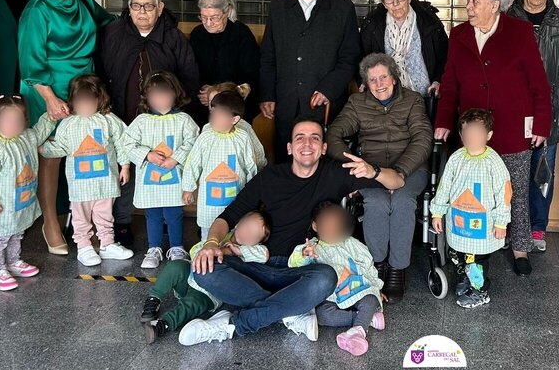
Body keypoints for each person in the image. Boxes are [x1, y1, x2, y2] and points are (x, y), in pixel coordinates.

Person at [181, 119, 403, 345]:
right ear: (289, 147)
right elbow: (227, 218)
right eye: (300, 138)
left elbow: (396, 181)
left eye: (315, 138)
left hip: (299, 271)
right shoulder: (269, 178)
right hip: (258, 266)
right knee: (203, 269)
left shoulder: (334, 174)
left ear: (323, 148)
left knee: (326, 277)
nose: (307, 143)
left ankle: (233, 325)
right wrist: (210, 244)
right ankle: (290, 312)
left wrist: (372, 170)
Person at [434, 0, 551, 277]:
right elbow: (449, 84)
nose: (468, 6)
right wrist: (444, 122)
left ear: (495, 5)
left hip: (512, 127)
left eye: (475, 1)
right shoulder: (459, 34)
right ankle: (471, 244)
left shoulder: (520, 32)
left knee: (517, 192)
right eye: (469, 0)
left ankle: (520, 248)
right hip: (473, 131)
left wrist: (540, 125)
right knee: (471, 190)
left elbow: (539, 83)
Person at [19, 0, 115, 255]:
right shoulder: (37, 10)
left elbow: (111, 22)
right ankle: (50, 222)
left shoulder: (85, 1)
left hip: (83, 88)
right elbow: (31, 61)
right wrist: (49, 98)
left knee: (85, 152)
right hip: (48, 88)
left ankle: (87, 221)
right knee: (51, 158)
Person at [325, 53, 432, 302]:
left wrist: (400, 172)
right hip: (370, 168)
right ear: (366, 83)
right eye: (372, 80)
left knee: (403, 202)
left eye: (383, 77)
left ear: (394, 78)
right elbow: (333, 136)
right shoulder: (357, 103)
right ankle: (377, 264)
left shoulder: (413, 101)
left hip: (411, 168)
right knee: (378, 202)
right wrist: (353, 163)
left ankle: (397, 269)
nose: (379, 84)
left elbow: (423, 139)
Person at [100, 0, 199, 247]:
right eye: (136, 5)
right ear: (129, 9)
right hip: (123, 114)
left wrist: (179, 113)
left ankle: (167, 222)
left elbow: (188, 76)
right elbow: (102, 69)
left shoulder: (173, 37)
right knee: (125, 168)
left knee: (162, 168)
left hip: (163, 120)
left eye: (149, 6)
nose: (142, 11)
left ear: (160, 8)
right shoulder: (113, 33)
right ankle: (121, 222)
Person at [259, 0, 362, 162]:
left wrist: (328, 89)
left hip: (325, 102)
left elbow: (350, 57)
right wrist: (267, 94)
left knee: (323, 159)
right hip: (286, 100)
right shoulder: (279, 6)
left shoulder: (341, 7)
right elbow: (268, 55)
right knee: (287, 159)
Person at [505, 0, 559, 252]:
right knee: (511, 173)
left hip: (551, 110)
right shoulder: (507, 18)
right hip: (514, 111)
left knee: (542, 172)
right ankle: (511, 226)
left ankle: (537, 228)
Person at [40, 74, 134, 267]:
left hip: (105, 181)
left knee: (105, 214)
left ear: (100, 99)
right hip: (80, 184)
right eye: (80, 101)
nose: (85, 106)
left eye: (90, 101)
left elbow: (122, 142)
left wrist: (125, 165)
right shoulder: (68, 124)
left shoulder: (108, 120)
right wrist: (42, 149)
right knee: (80, 216)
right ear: (72, 101)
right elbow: (60, 147)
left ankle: (107, 243)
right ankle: (84, 246)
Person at [141, 211, 270, 345]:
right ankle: (153, 299)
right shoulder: (221, 237)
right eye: (247, 228)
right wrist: (211, 247)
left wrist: (236, 251)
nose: (247, 234)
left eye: (253, 235)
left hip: (208, 293)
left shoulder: (251, 250)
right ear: (238, 224)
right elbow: (195, 250)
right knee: (176, 266)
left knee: (192, 304)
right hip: (190, 276)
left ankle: (163, 324)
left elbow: (263, 255)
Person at [0, 94, 56, 291]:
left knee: (17, 233)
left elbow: (39, 131)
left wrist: (51, 118)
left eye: (18, 120)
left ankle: (13, 261)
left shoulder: (25, 137)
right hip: (0, 207)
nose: (15, 124)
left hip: (19, 203)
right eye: (9, 120)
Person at [430, 109, 511, 309]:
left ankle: (479, 291)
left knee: (477, 260)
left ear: (488, 135)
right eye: (467, 133)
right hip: (458, 221)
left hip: (484, 225)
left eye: (477, 133)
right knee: (458, 254)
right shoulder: (456, 159)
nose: (471, 138)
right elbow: (445, 187)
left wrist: (501, 222)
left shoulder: (494, 162)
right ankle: (465, 279)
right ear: (461, 135)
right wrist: (437, 211)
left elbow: (504, 193)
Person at [121, 71, 200, 269]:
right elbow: (127, 144)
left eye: (165, 94)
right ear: (147, 97)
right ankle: (153, 247)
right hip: (151, 181)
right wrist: (148, 155)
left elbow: (195, 142)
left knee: (174, 213)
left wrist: (176, 158)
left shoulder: (184, 120)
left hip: (174, 179)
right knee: (153, 214)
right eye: (155, 95)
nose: (161, 99)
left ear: (175, 94)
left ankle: (176, 247)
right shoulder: (142, 121)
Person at [289, 202, 385, 356]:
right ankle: (367, 319)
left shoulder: (351, 244)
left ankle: (358, 331)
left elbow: (368, 265)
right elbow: (293, 264)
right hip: (330, 297)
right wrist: (304, 255)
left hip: (356, 290)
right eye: (326, 226)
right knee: (323, 316)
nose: (332, 230)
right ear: (315, 226)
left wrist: (376, 287)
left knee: (371, 299)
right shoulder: (312, 247)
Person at [180, 90, 258, 241]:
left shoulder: (243, 137)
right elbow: (193, 163)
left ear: (234, 119)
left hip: (236, 198)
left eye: (220, 115)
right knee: (208, 233)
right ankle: (205, 256)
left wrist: (253, 192)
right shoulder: (206, 137)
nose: (214, 119)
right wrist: (188, 188)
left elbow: (251, 166)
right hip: (209, 201)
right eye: (213, 113)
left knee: (235, 232)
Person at [359, 0, 449, 96]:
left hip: (426, 95)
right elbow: (361, 59)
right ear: (384, 3)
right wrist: (365, 82)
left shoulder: (429, 21)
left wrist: (438, 80)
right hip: (386, 99)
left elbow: (445, 56)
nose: (395, 3)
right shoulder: (372, 25)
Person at [189, 0, 261, 125]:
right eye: (203, 17)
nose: (208, 23)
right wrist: (202, 92)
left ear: (227, 12)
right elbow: (190, 71)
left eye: (214, 17)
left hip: (234, 109)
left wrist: (217, 93)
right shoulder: (197, 35)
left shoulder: (242, 34)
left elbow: (251, 78)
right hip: (203, 107)